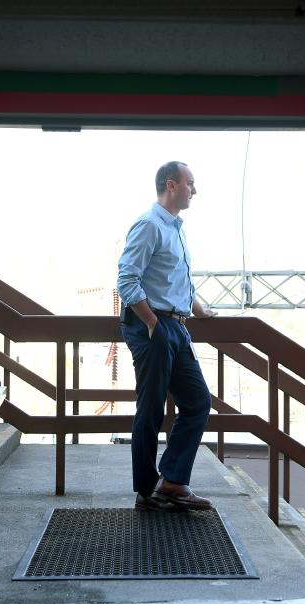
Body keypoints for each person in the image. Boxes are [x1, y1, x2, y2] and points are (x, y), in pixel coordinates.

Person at [116, 161, 217, 512]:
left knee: (198, 401)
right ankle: (147, 489)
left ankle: (172, 482)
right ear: (171, 186)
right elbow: (127, 281)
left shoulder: (175, 229)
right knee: (151, 408)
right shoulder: (149, 225)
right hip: (153, 326)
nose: (195, 189)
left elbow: (176, 284)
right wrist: (153, 324)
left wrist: (200, 310)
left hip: (175, 325)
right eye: (191, 183)